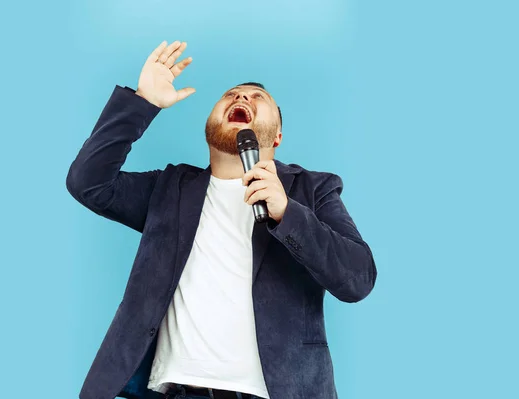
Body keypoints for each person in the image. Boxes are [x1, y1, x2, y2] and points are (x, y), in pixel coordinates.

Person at [66, 40, 377, 399]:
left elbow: (358, 279)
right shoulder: (170, 188)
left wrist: (287, 213)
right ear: (210, 124)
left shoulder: (311, 189)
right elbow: (87, 183)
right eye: (231, 95)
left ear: (276, 137)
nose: (241, 99)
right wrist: (143, 101)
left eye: (257, 98)